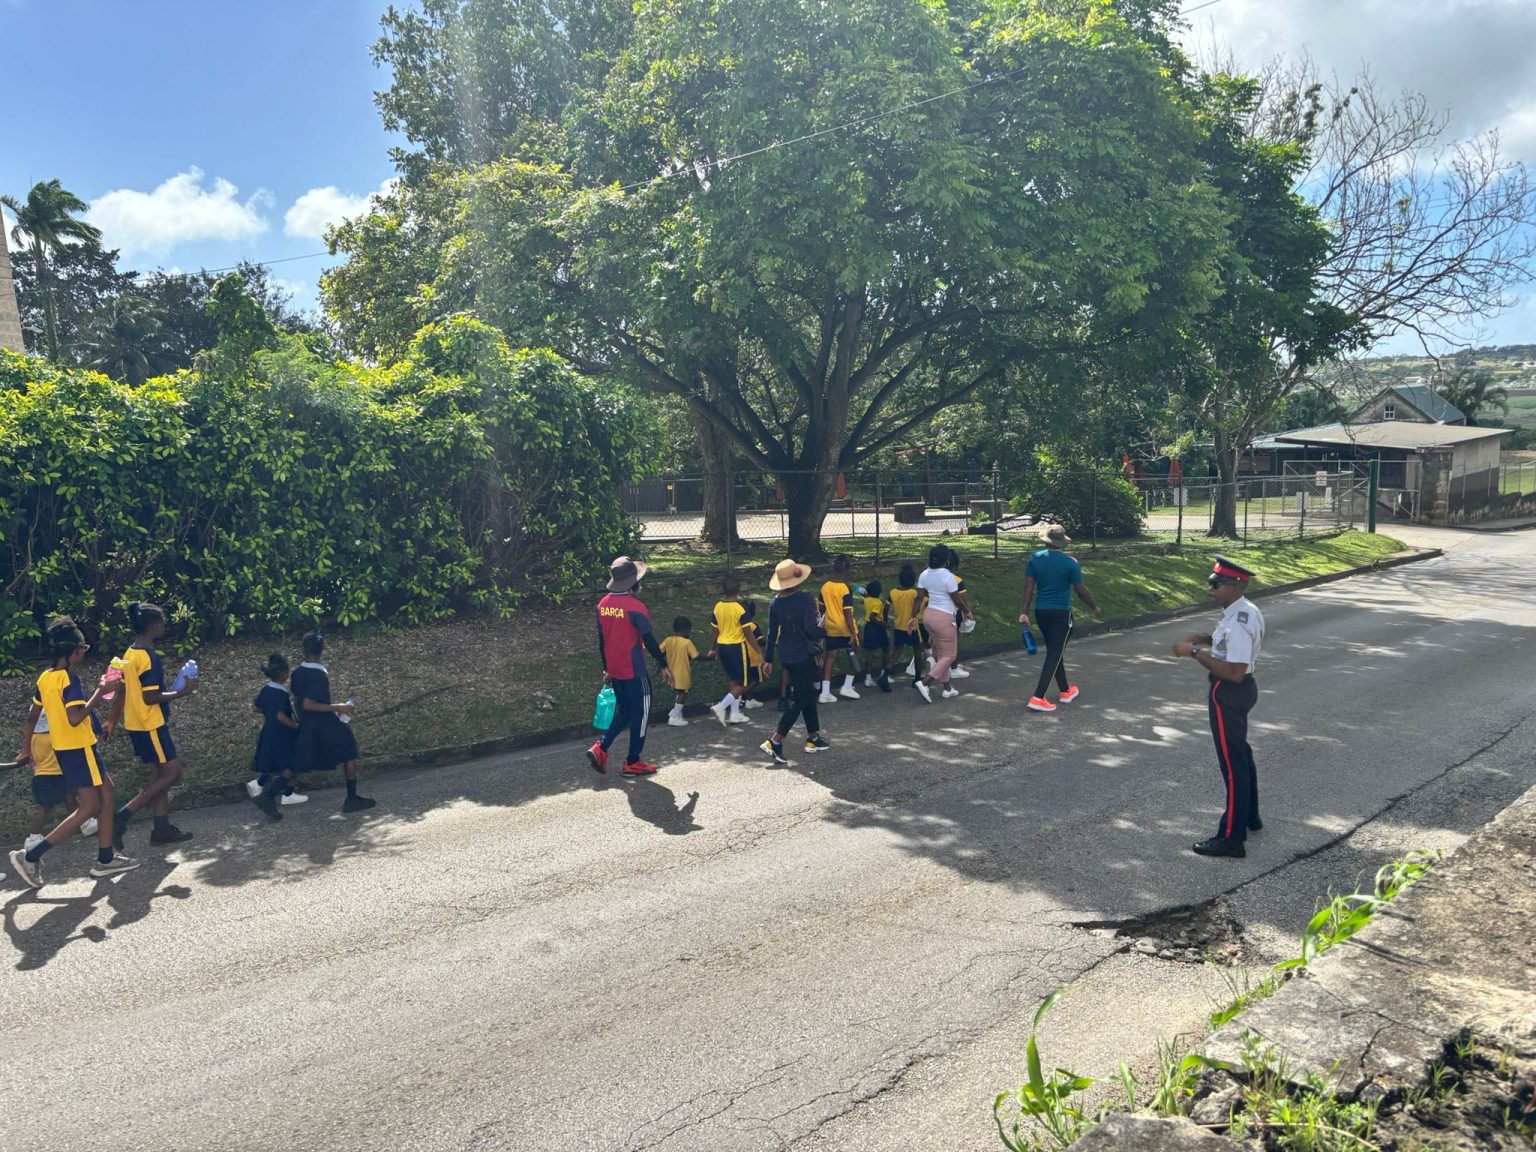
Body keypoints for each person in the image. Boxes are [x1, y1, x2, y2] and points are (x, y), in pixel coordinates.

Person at [9, 618, 138, 887]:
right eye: (83, 648)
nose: (84, 652)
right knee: (91, 804)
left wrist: (25, 748)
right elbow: (75, 717)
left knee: (106, 794)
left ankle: (105, 858)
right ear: (75, 651)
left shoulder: (45, 678)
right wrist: (101, 691)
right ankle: (32, 855)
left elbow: (32, 717)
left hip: (65, 750)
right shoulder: (69, 679)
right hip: (80, 747)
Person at [1172, 557, 1266, 859]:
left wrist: (1195, 652)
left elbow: (1234, 670)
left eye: (1217, 584)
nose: (1210, 588)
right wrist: (1207, 639)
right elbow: (1232, 647)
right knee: (1241, 755)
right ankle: (1249, 816)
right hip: (1241, 690)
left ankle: (1231, 837)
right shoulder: (1242, 611)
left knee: (1232, 764)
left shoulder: (1238, 618)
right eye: (1211, 581)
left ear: (1238, 584)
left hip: (1229, 690)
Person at [108, 602, 196, 847]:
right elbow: (150, 696)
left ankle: (161, 829)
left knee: (159, 774)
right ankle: (123, 816)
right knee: (172, 772)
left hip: (136, 724)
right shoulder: (149, 658)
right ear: (155, 625)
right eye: (163, 623)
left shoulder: (129, 653)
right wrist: (183, 692)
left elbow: (122, 689)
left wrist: (113, 720)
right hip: (151, 724)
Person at [587, 556, 673, 777]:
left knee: (625, 711)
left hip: (615, 670)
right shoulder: (636, 607)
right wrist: (663, 664)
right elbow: (650, 641)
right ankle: (632, 761)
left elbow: (601, 641)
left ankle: (601, 747)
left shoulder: (602, 605)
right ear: (634, 583)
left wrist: (606, 668)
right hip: (634, 671)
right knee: (642, 713)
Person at [290, 631, 377, 812]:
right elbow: (309, 704)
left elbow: (299, 701)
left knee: (302, 761)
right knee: (349, 750)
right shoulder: (319, 675)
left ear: (303, 649)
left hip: (306, 723)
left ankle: (269, 793)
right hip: (323, 722)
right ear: (322, 650)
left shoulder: (297, 673)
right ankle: (351, 798)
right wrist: (339, 707)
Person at [1019, 525, 1102, 713]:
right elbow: (1081, 590)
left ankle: (1065, 690)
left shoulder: (1034, 559)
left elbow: (1028, 588)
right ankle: (1038, 697)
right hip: (1061, 613)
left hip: (1041, 612)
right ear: (1062, 542)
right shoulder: (1070, 563)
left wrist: (1024, 611)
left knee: (1054, 651)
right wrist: (1094, 607)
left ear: (1045, 540)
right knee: (1055, 653)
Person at [759, 559, 829, 764]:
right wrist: (824, 630)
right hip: (802, 654)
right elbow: (810, 629)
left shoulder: (775, 602)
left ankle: (813, 737)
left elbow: (772, 633)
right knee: (801, 698)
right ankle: (776, 739)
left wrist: (768, 658)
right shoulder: (806, 599)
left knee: (806, 693)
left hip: (786, 654)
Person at [14, 689, 99, 852]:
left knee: (68, 796)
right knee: (46, 805)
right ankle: (33, 837)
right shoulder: (52, 728)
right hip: (51, 770)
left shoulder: (35, 730)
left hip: (44, 763)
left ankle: (85, 824)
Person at [249, 653, 307, 821]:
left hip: (269, 732)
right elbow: (281, 716)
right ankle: (269, 795)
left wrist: (269, 712)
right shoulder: (280, 694)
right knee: (292, 765)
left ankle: (280, 794)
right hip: (282, 735)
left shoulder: (267, 690)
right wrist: (296, 726)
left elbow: (256, 707)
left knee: (283, 766)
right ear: (283, 673)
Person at [915, 545, 972, 703]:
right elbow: (957, 600)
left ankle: (947, 688)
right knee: (949, 655)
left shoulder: (924, 574)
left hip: (928, 616)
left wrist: (913, 616)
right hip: (944, 618)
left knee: (942, 654)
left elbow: (919, 598)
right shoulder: (948, 577)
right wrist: (968, 613)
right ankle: (925, 682)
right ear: (946, 561)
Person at [707, 578, 766, 726]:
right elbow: (748, 633)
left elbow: (715, 631)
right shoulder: (740, 609)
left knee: (734, 679)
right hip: (736, 647)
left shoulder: (718, 606)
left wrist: (712, 649)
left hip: (722, 646)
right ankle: (721, 707)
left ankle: (735, 714)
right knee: (743, 682)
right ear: (739, 589)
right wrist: (759, 651)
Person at [818, 556, 863, 703]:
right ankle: (847, 686)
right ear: (846, 570)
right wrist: (852, 632)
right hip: (844, 627)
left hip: (830, 626)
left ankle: (825, 692)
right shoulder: (844, 588)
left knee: (830, 657)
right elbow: (848, 612)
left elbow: (821, 607)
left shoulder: (824, 587)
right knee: (855, 651)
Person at [889, 564, 928, 680]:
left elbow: (886, 607)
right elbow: (917, 606)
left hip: (898, 626)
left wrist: (886, 619)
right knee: (917, 651)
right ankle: (917, 678)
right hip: (912, 627)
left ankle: (885, 675)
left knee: (896, 652)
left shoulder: (893, 592)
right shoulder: (914, 593)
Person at [660, 617, 700, 727]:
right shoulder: (687, 642)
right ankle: (675, 716)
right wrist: (710, 658)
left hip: (671, 672)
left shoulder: (668, 640)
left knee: (679, 692)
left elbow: (660, 651)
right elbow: (696, 656)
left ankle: (675, 711)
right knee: (683, 693)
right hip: (683, 673)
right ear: (687, 630)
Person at [859, 579, 893, 693]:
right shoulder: (878, 602)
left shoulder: (867, 600)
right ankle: (884, 674)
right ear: (879, 592)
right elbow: (874, 616)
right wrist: (884, 625)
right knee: (886, 649)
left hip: (868, 626)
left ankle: (867, 678)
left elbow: (858, 589)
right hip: (877, 627)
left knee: (870, 653)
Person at [946, 548, 971, 680]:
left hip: (933, 613)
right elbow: (962, 599)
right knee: (954, 641)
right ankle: (953, 668)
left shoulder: (929, 576)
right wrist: (968, 612)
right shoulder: (957, 580)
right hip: (954, 614)